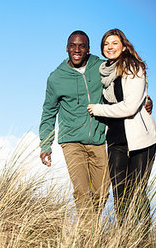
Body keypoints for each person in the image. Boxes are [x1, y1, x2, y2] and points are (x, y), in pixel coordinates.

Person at [87, 29, 156, 232]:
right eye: (106, 44)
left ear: (124, 46)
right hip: (115, 139)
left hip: (140, 139)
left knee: (137, 190)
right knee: (119, 191)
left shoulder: (133, 67)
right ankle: (125, 236)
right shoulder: (105, 72)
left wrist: (98, 109)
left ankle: (143, 237)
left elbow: (130, 106)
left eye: (114, 43)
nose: (109, 47)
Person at [39, 30, 110, 224]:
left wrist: (146, 99)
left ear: (88, 49)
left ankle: (89, 226)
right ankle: (88, 238)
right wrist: (45, 145)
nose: (76, 50)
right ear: (67, 48)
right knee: (81, 190)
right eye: (73, 45)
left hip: (99, 138)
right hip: (71, 141)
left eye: (81, 46)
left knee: (102, 191)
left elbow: (123, 86)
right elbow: (48, 113)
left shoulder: (101, 67)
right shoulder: (56, 78)